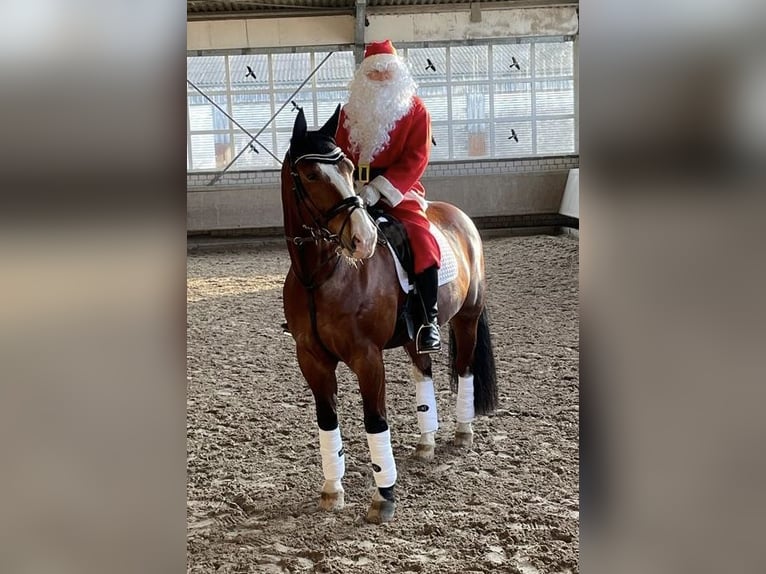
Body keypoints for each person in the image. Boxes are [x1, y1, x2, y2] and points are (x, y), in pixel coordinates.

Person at [335, 40, 442, 354]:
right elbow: (338, 153)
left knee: (421, 238)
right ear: (363, 77)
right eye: (374, 73)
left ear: (398, 75)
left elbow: (417, 158)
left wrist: (378, 188)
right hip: (352, 191)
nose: (381, 78)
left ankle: (429, 321)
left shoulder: (416, 110)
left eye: (386, 72)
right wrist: (350, 187)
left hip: (398, 192)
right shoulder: (347, 113)